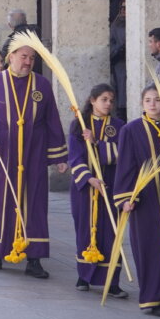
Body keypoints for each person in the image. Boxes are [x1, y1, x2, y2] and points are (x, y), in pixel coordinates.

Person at [0, 42, 65, 279]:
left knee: (33, 204)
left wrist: (59, 155)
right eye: (23, 56)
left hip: (33, 152)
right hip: (1, 154)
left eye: (32, 58)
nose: (28, 62)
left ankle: (34, 259)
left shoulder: (41, 84)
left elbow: (51, 119)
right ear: (10, 56)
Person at [114, 85, 160, 315]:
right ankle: (153, 298)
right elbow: (126, 165)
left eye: (157, 99)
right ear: (141, 104)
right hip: (145, 198)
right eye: (148, 100)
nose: (153, 104)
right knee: (151, 247)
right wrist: (126, 197)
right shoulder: (131, 130)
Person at [66, 83, 125, 297]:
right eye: (104, 99)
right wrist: (89, 178)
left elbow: (122, 154)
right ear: (92, 100)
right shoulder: (78, 125)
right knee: (85, 228)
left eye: (111, 100)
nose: (108, 104)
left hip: (110, 185)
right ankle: (84, 276)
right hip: (84, 187)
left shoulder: (119, 126)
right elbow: (75, 157)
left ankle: (112, 281)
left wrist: (97, 143)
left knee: (110, 231)